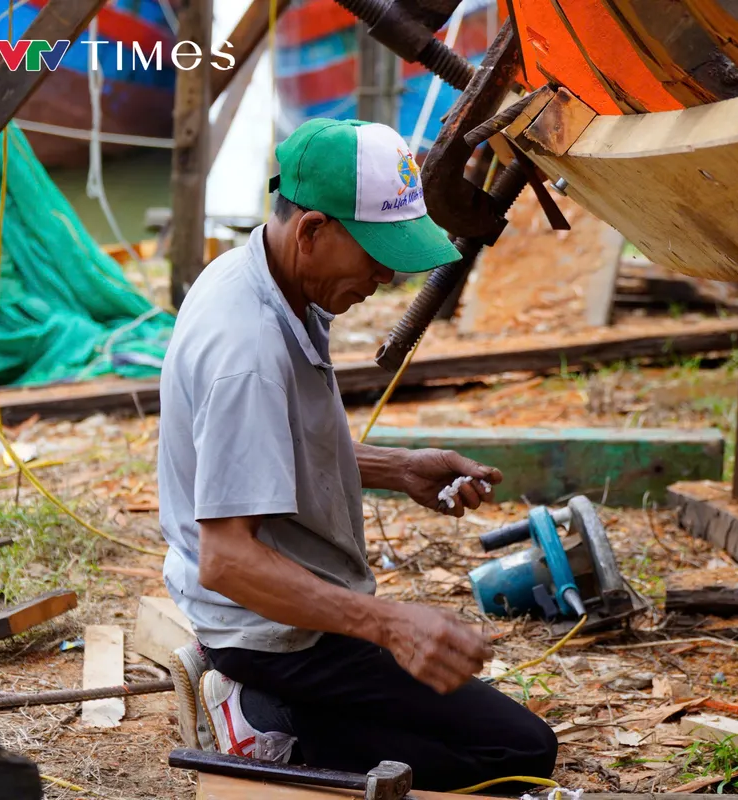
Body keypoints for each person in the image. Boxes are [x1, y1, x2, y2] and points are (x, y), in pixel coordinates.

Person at [156, 118, 558, 790]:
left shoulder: (268, 277)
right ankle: (266, 724)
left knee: (485, 745)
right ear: (312, 231)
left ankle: (276, 714)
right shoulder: (247, 347)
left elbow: (263, 443)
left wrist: (398, 467)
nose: (384, 276)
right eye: (374, 254)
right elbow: (228, 559)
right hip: (273, 633)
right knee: (517, 758)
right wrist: (389, 624)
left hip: (285, 617)